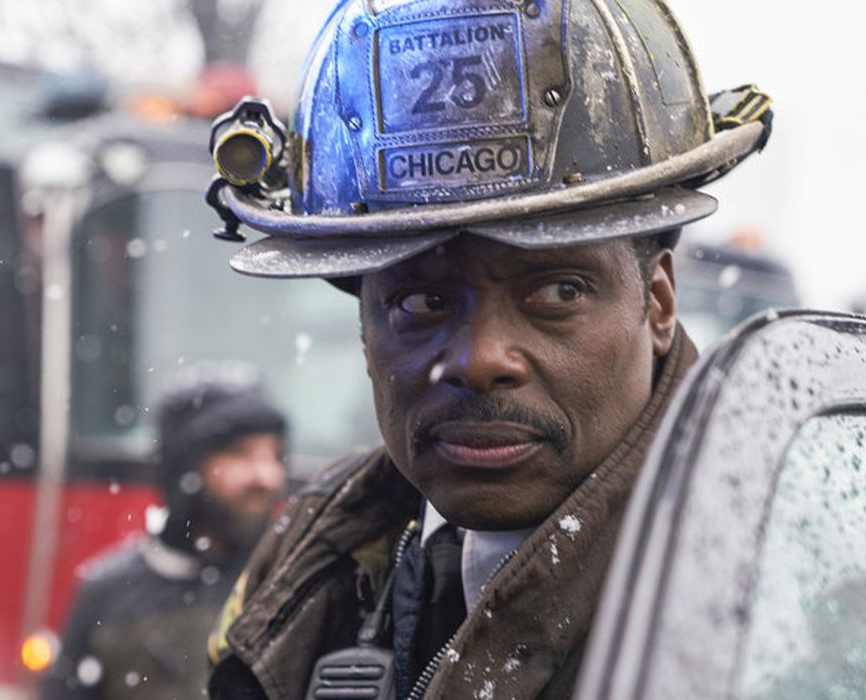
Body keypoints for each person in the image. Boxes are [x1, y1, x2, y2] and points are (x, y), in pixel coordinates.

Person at [201, 0, 773, 698]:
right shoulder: (315, 551)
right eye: (420, 301)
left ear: (656, 301)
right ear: (363, 326)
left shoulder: (773, 575)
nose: (479, 359)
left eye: (558, 291)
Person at [41, 366, 290, 700]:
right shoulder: (108, 593)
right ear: (186, 467)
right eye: (239, 454)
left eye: (274, 455)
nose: (266, 476)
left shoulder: (291, 581)